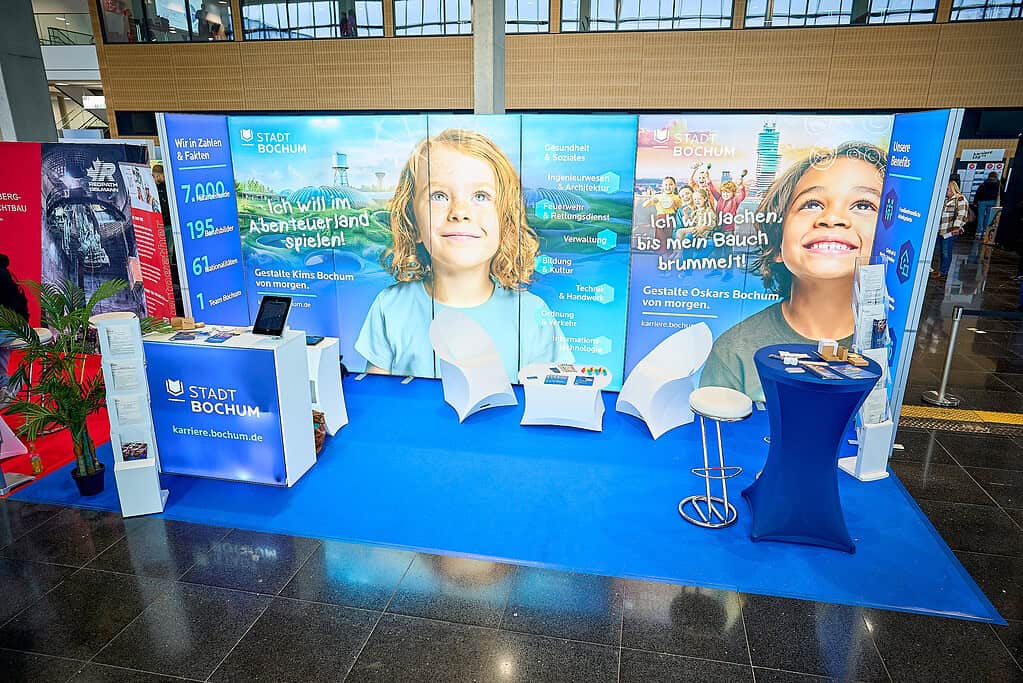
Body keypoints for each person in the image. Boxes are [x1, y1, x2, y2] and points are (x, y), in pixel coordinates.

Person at [355, 128, 573, 380]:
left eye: (480, 196)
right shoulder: (390, 306)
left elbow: (555, 394)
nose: (459, 212)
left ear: (506, 221)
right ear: (413, 222)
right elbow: (376, 395)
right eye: (438, 196)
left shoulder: (533, 314)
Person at [699, 141, 887, 402]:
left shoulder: (892, 347)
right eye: (812, 204)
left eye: (863, 205)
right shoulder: (734, 351)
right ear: (778, 243)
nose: (833, 218)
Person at [152, 164, 183, 315]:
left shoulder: (166, 188)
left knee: (169, 250)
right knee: (165, 249)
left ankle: (168, 271)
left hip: (168, 223)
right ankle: (166, 272)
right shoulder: (157, 188)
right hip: (163, 223)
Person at [0, 255, 29, 398]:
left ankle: (7, 384)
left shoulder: (1, 274)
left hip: (11, 325)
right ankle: (6, 384)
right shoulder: (4, 272)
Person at [642, 176, 684, 254]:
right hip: (661, 219)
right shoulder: (658, 196)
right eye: (666, 185)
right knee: (661, 237)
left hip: (672, 218)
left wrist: (675, 205)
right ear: (662, 186)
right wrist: (651, 200)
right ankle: (661, 254)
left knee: (670, 236)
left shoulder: (677, 198)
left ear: (674, 186)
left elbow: (681, 209)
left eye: (671, 184)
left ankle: (670, 254)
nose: (668, 187)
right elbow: (644, 205)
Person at [936, 180, 968, 278]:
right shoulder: (946, 199)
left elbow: (962, 214)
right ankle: (940, 270)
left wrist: (956, 227)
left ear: (952, 188)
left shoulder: (960, 199)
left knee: (946, 251)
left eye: (947, 189)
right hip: (941, 229)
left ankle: (943, 272)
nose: (945, 191)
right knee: (941, 251)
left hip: (950, 231)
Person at [973, 171, 1001, 241]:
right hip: (992, 201)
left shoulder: (984, 183)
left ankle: (979, 232)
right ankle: (985, 232)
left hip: (982, 201)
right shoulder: (998, 184)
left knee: (980, 216)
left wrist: (975, 202)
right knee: (988, 217)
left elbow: (978, 192)